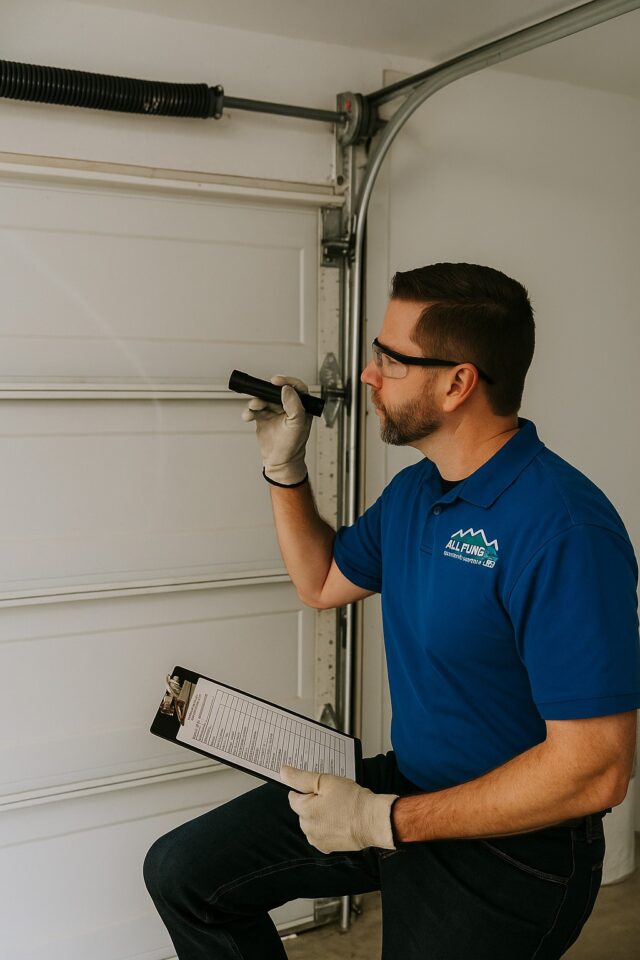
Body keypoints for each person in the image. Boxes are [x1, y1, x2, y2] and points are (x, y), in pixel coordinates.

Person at [144, 262, 640, 959]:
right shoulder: (417, 495)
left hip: (514, 849)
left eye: (390, 358)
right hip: (409, 789)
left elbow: (598, 769)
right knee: (184, 874)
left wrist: (385, 820)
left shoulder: (563, 530)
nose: (369, 376)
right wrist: (286, 470)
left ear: (458, 381)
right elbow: (320, 581)